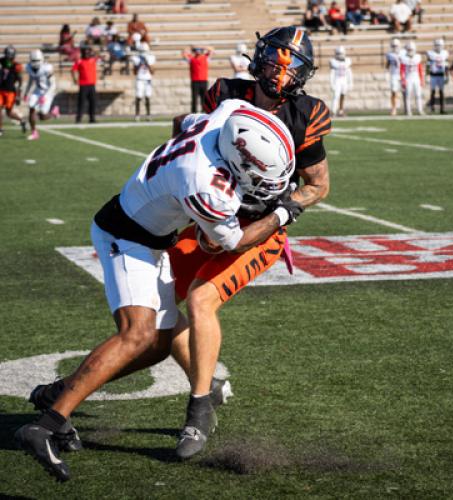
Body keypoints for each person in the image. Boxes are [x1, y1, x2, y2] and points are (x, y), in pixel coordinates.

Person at [25, 26, 331, 463]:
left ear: (304, 74)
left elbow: (318, 185)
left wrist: (284, 208)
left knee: (200, 299)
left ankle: (200, 406)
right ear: (258, 58)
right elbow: (184, 130)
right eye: (273, 61)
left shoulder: (305, 115)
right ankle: (73, 393)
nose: (279, 75)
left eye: (291, 66)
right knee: (155, 329)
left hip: (258, 226)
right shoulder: (227, 94)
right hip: (206, 213)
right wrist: (195, 178)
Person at [22, 50, 60, 141]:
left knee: (43, 116)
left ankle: (53, 113)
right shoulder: (29, 67)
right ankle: (34, 132)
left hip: (48, 90)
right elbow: (31, 80)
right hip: (38, 90)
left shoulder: (47, 68)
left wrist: (45, 96)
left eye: (36, 61)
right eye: (33, 61)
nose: (35, 63)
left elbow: (53, 84)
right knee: (31, 107)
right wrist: (26, 92)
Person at [0, 45, 27, 137]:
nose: (8, 57)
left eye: (10, 55)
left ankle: (21, 120)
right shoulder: (1, 61)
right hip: (1, 90)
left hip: (10, 92)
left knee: (9, 113)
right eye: (7, 54)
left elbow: (20, 80)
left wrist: (19, 95)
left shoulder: (17, 66)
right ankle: (0, 129)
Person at [182, 45, 214, 113]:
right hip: (195, 81)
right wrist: (191, 48)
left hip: (204, 81)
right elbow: (184, 53)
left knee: (204, 98)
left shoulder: (206, 58)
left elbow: (212, 50)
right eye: (197, 51)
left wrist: (204, 47)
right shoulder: (191, 59)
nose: (198, 52)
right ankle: (194, 112)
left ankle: (204, 111)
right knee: (194, 98)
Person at [71, 44, 98, 123]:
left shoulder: (92, 60)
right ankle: (79, 118)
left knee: (93, 102)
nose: (87, 54)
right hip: (83, 85)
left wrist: (92, 49)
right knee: (81, 102)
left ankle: (92, 118)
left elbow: (98, 54)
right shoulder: (79, 61)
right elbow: (73, 70)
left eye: (88, 52)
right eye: (85, 52)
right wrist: (74, 79)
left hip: (92, 85)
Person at [132, 42, 155, 121]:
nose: (143, 53)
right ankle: (137, 115)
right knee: (139, 96)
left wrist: (147, 63)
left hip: (148, 79)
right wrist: (139, 64)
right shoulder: (136, 58)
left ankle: (148, 115)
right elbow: (134, 72)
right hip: (140, 79)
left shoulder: (151, 57)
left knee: (148, 96)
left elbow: (153, 72)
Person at [400, 41, 424, 115]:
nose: (410, 51)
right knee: (408, 95)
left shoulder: (418, 57)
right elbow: (402, 70)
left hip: (416, 78)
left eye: (411, 50)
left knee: (418, 94)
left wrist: (421, 79)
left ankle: (420, 110)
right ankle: (408, 111)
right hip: (408, 78)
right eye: (409, 50)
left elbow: (420, 69)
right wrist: (403, 80)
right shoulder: (403, 58)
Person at [426, 38, 449, 114]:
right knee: (432, 91)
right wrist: (427, 75)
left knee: (441, 91)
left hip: (441, 75)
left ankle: (442, 108)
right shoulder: (430, 53)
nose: (439, 47)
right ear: (435, 45)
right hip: (433, 75)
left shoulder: (445, 53)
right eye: (437, 45)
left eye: (440, 45)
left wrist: (447, 75)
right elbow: (428, 65)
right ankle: (432, 107)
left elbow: (446, 65)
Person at [329, 46, 353, 117]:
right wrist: (331, 83)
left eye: (341, 53)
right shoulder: (333, 62)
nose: (340, 55)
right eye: (339, 53)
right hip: (337, 80)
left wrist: (350, 82)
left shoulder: (347, 61)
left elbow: (349, 72)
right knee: (336, 96)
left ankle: (341, 111)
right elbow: (332, 73)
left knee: (343, 95)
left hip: (344, 80)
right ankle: (333, 111)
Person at [386, 38, 404, 115]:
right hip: (394, 74)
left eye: (396, 46)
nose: (394, 47)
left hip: (402, 75)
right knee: (393, 92)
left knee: (405, 92)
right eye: (393, 46)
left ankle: (406, 108)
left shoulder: (403, 53)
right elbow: (387, 65)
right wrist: (386, 73)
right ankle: (394, 108)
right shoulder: (389, 54)